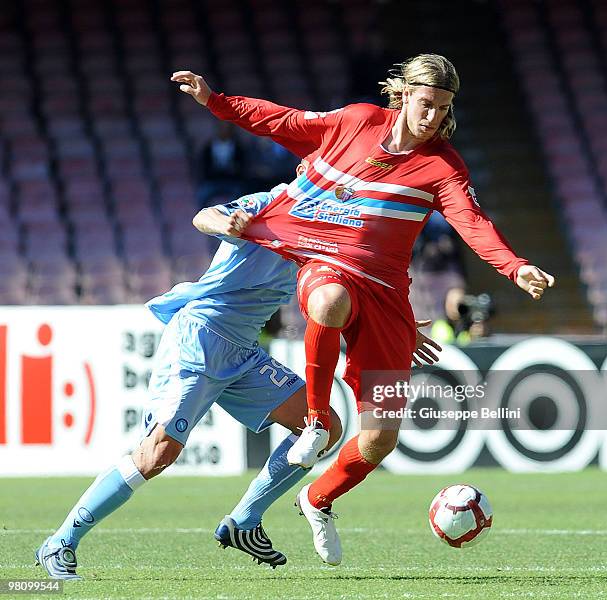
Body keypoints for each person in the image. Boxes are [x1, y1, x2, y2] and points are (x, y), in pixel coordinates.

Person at [171, 53, 555, 565]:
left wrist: (514, 267)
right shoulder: (354, 121)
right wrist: (215, 102)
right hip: (326, 264)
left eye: (443, 107)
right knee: (327, 302)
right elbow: (281, 120)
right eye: (426, 103)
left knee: (378, 440)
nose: (433, 116)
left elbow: (472, 224)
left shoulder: (443, 166)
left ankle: (316, 499)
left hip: (387, 296)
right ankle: (313, 422)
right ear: (402, 96)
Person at [34, 161, 440, 579]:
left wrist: (402, 328)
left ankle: (244, 521)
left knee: (324, 427)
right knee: (158, 453)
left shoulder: (327, 236)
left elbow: (360, 286)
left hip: (243, 352)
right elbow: (202, 216)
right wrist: (229, 223)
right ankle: (60, 542)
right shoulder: (270, 203)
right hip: (201, 339)